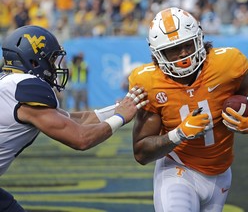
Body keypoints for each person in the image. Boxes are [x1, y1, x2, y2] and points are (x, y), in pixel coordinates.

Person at [129, 7, 248, 212]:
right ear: (158, 54)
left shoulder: (226, 65)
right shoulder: (149, 82)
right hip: (178, 170)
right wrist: (178, 134)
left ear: (199, 38)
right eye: (173, 49)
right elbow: (141, 152)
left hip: (220, 173)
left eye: (187, 44)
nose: (183, 54)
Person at [0, 25, 148, 211]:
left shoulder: (12, 85)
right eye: (52, 59)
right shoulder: (26, 88)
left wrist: (120, 108)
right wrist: (120, 117)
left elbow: (76, 119)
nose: (56, 66)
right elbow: (81, 138)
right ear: (35, 61)